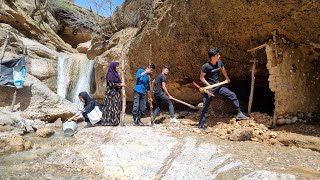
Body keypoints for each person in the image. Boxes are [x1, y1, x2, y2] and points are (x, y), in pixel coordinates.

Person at [198, 47, 249, 129]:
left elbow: (223, 70)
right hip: (209, 88)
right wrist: (208, 85)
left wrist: (227, 78)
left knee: (232, 95)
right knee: (205, 106)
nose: (219, 56)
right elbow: (201, 78)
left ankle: (239, 113)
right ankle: (201, 125)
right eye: (218, 55)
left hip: (218, 86)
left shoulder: (219, 62)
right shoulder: (205, 66)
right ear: (213, 57)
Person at [100, 61, 124, 126]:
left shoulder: (116, 74)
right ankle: (108, 122)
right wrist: (120, 84)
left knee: (115, 107)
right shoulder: (110, 74)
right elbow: (111, 84)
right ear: (113, 66)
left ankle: (115, 121)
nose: (117, 67)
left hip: (116, 94)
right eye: (116, 66)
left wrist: (120, 85)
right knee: (110, 107)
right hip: (111, 94)